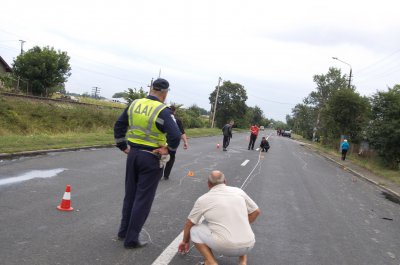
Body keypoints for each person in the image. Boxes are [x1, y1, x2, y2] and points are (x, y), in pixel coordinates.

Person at [113, 78, 182, 248]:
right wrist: (168, 149)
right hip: (151, 157)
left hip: (133, 154)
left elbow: (119, 126)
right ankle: (131, 239)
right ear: (165, 93)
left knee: (130, 195)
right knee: (142, 199)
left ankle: (123, 231)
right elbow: (175, 135)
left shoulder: (134, 104)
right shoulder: (163, 110)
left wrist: (123, 146)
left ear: (151, 89)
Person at [178, 170, 261, 265]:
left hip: (226, 247)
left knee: (195, 229)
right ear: (225, 181)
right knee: (240, 225)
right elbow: (256, 211)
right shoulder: (238, 191)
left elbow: (189, 223)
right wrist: (244, 224)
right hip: (249, 245)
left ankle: (211, 262)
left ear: (208, 184)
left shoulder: (203, 199)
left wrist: (185, 241)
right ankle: (243, 262)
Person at [163, 105, 188, 180]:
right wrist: (185, 142)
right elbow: (182, 132)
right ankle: (166, 175)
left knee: (160, 156)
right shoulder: (178, 120)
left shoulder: (163, 117)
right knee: (171, 157)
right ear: (174, 111)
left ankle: (158, 173)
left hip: (163, 140)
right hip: (173, 142)